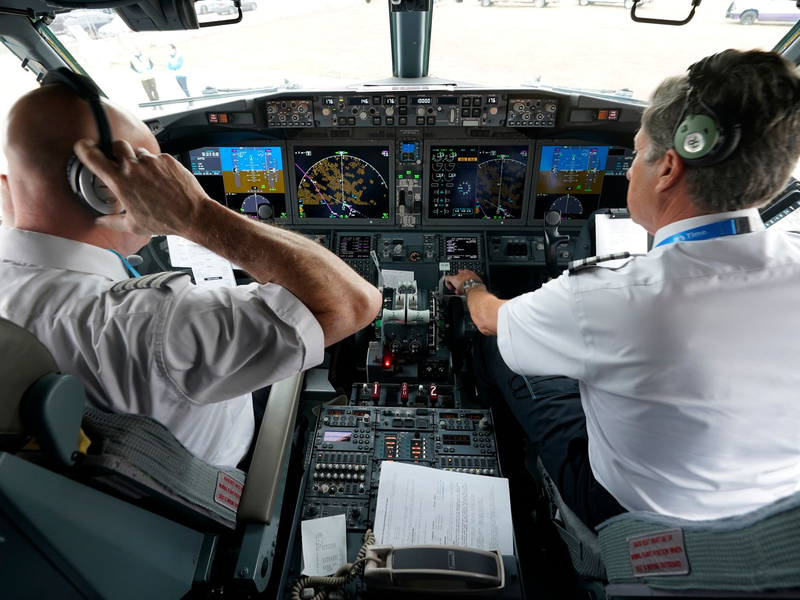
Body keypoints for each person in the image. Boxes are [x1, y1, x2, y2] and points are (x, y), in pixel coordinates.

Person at [446, 49, 800, 527]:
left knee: (497, 349)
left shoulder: (608, 297)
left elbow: (489, 319)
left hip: (628, 514)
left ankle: (505, 458)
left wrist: (471, 285)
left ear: (669, 168)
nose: (629, 170)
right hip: (762, 521)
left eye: (635, 153)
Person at [0, 82, 382, 468]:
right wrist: (193, 213)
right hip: (233, 477)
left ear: (5, 190)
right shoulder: (152, 325)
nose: (166, 183)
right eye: (153, 176)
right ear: (110, 192)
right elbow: (352, 302)